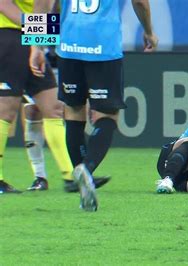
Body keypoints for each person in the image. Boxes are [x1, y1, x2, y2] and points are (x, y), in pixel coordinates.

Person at [31, 0, 158, 211]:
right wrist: (149, 32)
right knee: (108, 116)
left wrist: (37, 46)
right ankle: (86, 170)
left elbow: (43, 2)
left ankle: (83, 184)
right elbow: (140, 2)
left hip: (69, 48)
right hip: (103, 47)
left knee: (73, 112)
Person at [0, 0, 104, 193]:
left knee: (53, 107)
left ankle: (72, 176)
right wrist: (36, 28)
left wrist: (40, 37)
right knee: (5, 109)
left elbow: (49, 7)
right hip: (9, 35)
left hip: (32, 40)